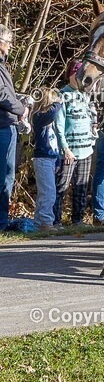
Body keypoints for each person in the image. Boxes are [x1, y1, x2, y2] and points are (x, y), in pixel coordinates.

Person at [53, 61, 98, 226]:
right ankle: (55, 220)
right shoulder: (63, 95)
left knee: (81, 187)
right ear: (72, 75)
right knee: (61, 186)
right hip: (70, 150)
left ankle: (77, 219)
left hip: (86, 148)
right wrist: (65, 148)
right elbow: (58, 124)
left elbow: (92, 115)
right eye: (79, 74)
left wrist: (94, 127)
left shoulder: (86, 95)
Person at [0, 24, 29, 231]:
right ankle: (1, 222)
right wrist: (21, 108)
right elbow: (2, 95)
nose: (10, 46)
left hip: (5, 123)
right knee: (5, 175)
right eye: (8, 41)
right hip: (3, 125)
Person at [31, 88, 63, 231]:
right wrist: (59, 102)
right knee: (48, 193)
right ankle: (45, 222)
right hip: (42, 159)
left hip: (50, 158)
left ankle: (39, 222)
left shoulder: (49, 122)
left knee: (47, 192)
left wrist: (57, 160)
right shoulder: (39, 117)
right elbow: (53, 112)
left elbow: (54, 143)